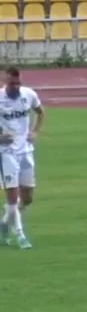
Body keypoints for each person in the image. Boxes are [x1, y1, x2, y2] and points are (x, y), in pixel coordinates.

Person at [0, 68, 44, 249]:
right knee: (12, 195)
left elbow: (40, 112)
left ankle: (4, 222)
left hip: (25, 151)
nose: (16, 86)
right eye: (13, 83)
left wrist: (34, 131)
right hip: (5, 152)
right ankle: (20, 235)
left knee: (27, 197)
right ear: (5, 81)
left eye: (18, 83)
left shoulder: (28, 94)